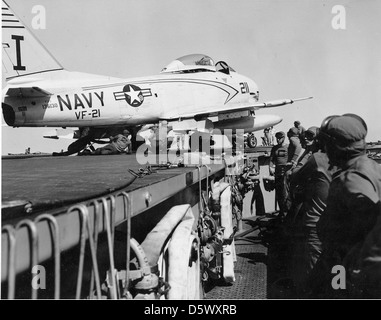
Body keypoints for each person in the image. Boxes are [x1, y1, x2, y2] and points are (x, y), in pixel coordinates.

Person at [314, 113, 381, 298]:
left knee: (337, 294)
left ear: (336, 147)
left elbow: (373, 222)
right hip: (344, 260)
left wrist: (355, 264)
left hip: (344, 264)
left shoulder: (352, 179)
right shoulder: (371, 167)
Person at [287, 129, 332, 297]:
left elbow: (295, 176)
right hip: (340, 228)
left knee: (312, 277)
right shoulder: (352, 162)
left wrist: (308, 153)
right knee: (336, 272)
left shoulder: (318, 159)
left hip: (316, 227)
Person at [269, 131, 290, 218]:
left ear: (283, 138)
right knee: (279, 193)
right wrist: (270, 168)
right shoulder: (274, 148)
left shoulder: (288, 147)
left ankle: (287, 213)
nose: (278, 140)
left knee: (285, 193)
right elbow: (271, 159)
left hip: (285, 172)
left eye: (280, 138)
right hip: (277, 172)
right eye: (277, 138)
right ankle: (281, 212)